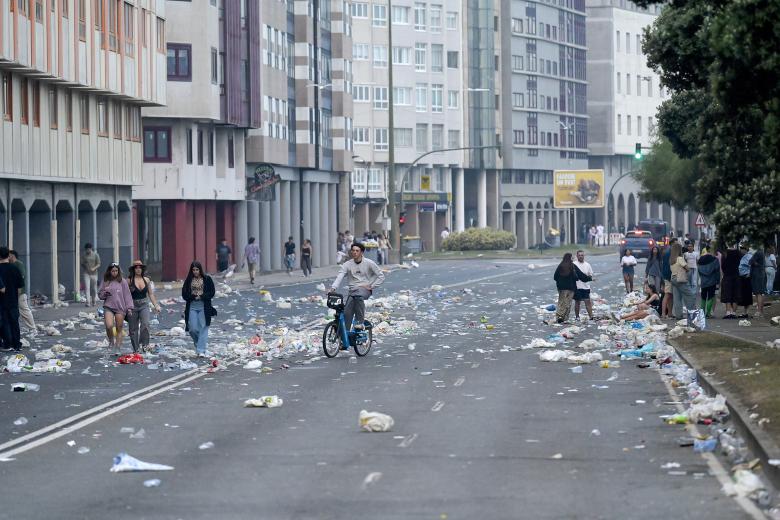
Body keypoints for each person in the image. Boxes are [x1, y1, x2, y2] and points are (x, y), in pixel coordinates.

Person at [329, 242, 385, 332]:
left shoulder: (369, 263)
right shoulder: (347, 264)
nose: (354, 252)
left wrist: (371, 286)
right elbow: (340, 276)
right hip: (352, 291)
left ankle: (360, 322)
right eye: (353, 250)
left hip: (364, 290)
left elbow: (381, 276)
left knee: (358, 295)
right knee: (346, 313)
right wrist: (333, 288)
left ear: (361, 252)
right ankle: (344, 338)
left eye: (357, 251)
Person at [182, 261, 216, 358]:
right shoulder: (188, 280)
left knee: (204, 327)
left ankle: (201, 350)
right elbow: (184, 294)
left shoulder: (207, 279)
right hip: (192, 306)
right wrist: (193, 296)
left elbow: (212, 292)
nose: (195, 272)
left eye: (197, 269)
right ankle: (200, 345)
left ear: (200, 270)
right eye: (193, 270)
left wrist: (202, 296)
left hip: (204, 306)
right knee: (192, 329)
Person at [98, 262, 134, 353]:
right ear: (109, 271)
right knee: (109, 325)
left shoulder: (123, 281)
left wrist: (129, 308)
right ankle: (111, 341)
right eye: (113, 271)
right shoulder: (106, 281)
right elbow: (100, 295)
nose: (114, 272)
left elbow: (127, 295)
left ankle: (118, 347)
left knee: (119, 327)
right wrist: (104, 293)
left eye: (116, 271)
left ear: (118, 271)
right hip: (108, 306)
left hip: (120, 307)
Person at [126, 260, 161, 353]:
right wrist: (127, 307)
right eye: (136, 268)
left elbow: (151, 294)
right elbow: (126, 295)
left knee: (145, 324)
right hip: (132, 305)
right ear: (133, 269)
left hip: (144, 305)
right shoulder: (129, 281)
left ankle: (145, 345)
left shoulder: (146, 280)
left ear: (142, 269)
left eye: (140, 267)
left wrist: (156, 305)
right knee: (133, 329)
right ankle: (136, 349)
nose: (138, 269)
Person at [552, 253, 590, 324]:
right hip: (570, 288)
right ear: (570, 258)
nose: (572, 259)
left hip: (561, 288)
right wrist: (589, 278)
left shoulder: (560, 266)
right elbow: (581, 275)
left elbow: (555, 277)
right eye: (572, 258)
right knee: (568, 303)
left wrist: (560, 281)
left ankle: (559, 316)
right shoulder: (572, 266)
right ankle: (565, 318)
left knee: (561, 302)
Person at [0, 247, 20, 351]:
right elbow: (20, 285)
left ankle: (8, 344)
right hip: (13, 300)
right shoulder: (15, 268)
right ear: (8, 256)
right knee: (14, 323)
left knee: (5, 323)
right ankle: (17, 344)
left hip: (2, 301)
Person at [8, 250, 34, 331]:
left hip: (20, 292)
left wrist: (17, 289)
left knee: (24, 310)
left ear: (12, 256)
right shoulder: (11, 264)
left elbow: (21, 277)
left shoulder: (19, 264)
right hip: (13, 292)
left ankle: (32, 328)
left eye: (9, 255)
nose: (8, 257)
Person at [670, 242, 696, 319]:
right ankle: (692, 315)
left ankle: (678, 315)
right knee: (690, 296)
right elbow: (687, 268)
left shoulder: (672, 259)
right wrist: (687, 277)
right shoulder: (680, 258)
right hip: (680, 279)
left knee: (677, 298)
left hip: (673, 279)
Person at [697, 247, 720, 319]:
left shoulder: (700, 259)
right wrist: (718, 281)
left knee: (703, 297)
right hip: (712, 281)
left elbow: (699, 271)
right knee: (711, 297)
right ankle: (708, 313)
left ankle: (702, 313)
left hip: (703, 281)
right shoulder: (715, 259)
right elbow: (717, 271)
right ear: (711, 250)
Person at [572, 250, 595, 320]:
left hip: (586, 287)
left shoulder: (587, 265)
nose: (581, 256)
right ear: (577, 256)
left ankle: (591, 316)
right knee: (577, 302)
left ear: (584, 256)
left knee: (587, 302)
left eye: (582, 255)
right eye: (579, 255)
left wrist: (587, 277)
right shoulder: (574, 264)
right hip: (577, 287)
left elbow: (590, 275)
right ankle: (577, 316)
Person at [720, 245, 741, 319]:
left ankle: (728, 312)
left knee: (727, 293)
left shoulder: (725, 253)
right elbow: (739, 263)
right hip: (736, 275)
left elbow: (722, 266)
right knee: (735, 293)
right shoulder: (738, 252)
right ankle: (734, 313)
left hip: (727, 276)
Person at [81, 242, 101, 307]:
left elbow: (99, 263)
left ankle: (93, 300)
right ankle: (88, 302)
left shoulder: (95, 255)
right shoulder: (84, 255)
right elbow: (82, 263)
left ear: (91, 248)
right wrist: (85, 266)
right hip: (86, 273)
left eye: (88, 249)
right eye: (86, 250)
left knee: (94, 289)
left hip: (94, 274)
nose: (87, 251)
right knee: (87, 287)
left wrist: (94, 268)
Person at [661, 239, 677, 319]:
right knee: (667, 295)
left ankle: (670, 313)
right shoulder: (669, 253)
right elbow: (667, 266)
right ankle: (664, 313)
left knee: (671, 295)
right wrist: (669, 277)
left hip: (670, 276)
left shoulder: (670, 252)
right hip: (669, 277)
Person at [737, 244, 754, 318]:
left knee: (747, 295)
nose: (741, 250)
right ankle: (745, 312)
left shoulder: (749, 256)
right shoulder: (743, 256)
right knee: (744, 295)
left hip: (746, 277)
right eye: (740, 248)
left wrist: (749, 274)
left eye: (742, 248)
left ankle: (746, 312)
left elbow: (751, 266)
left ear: (746, 249)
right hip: (742, 277)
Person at [749, 247, 766, 318]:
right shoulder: (762, 253)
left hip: (757, 275)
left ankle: (759, 311)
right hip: (761, 274)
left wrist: (754, 262)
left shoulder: (757, 253)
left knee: (758, 293)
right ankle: (761, 312)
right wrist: (754, 262)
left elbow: (750, 261)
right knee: (760, 293)